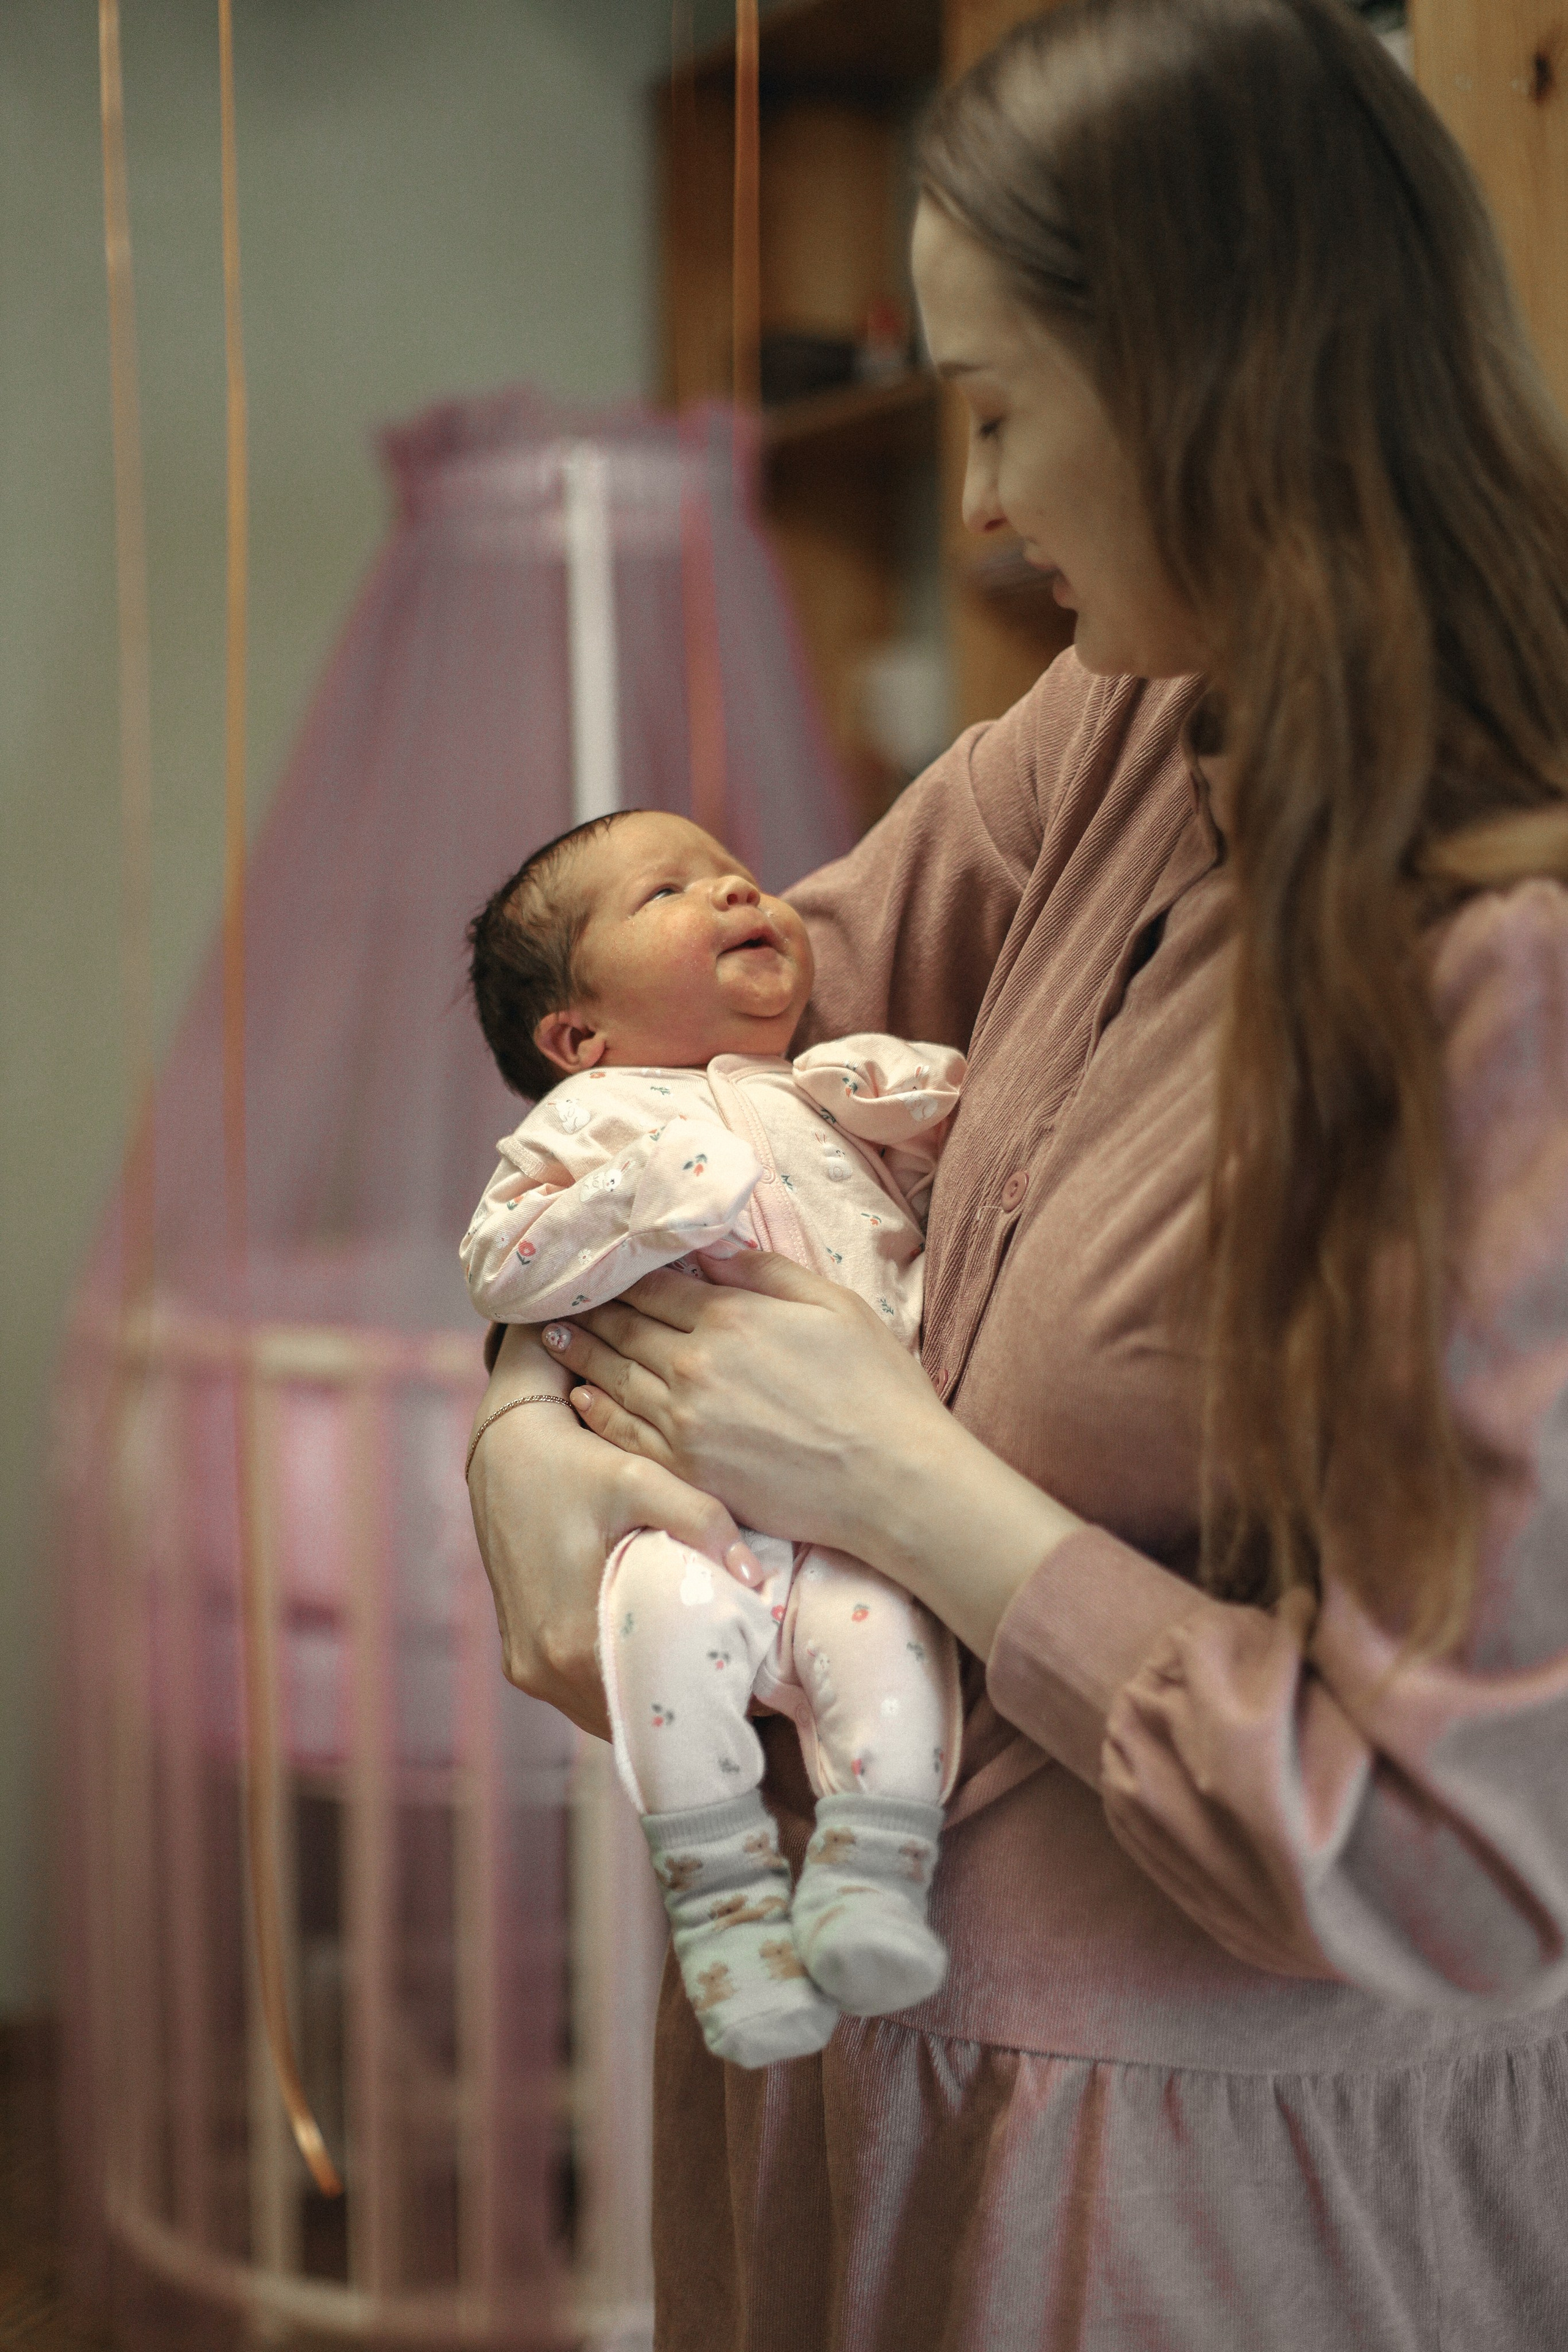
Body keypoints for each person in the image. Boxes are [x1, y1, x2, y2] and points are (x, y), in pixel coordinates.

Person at [466, 2, 1568, 2343]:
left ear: (1210, 387)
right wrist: (512, 1431)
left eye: (998, 409)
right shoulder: (1131, 726)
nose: (974, 506)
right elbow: (695, 1065)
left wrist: (912, 1491)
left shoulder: (1513, 985)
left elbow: (1483, 1864)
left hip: (1192, 2209)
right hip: (860, 2111)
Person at [459, 809, 963, 2069]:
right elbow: (501, 1265)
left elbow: (954, 1177)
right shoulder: (588, 1127)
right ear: (579, 1036)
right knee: (662, 1637)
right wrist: (637, 1196)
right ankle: (724, 1906)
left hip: (863, 1502)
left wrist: (905, 1097)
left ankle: (870, 1876)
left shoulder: (819, 1089)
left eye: (736, 875)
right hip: (695, 1510)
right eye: (669, 893)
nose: (740, 894)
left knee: (896, 1643)